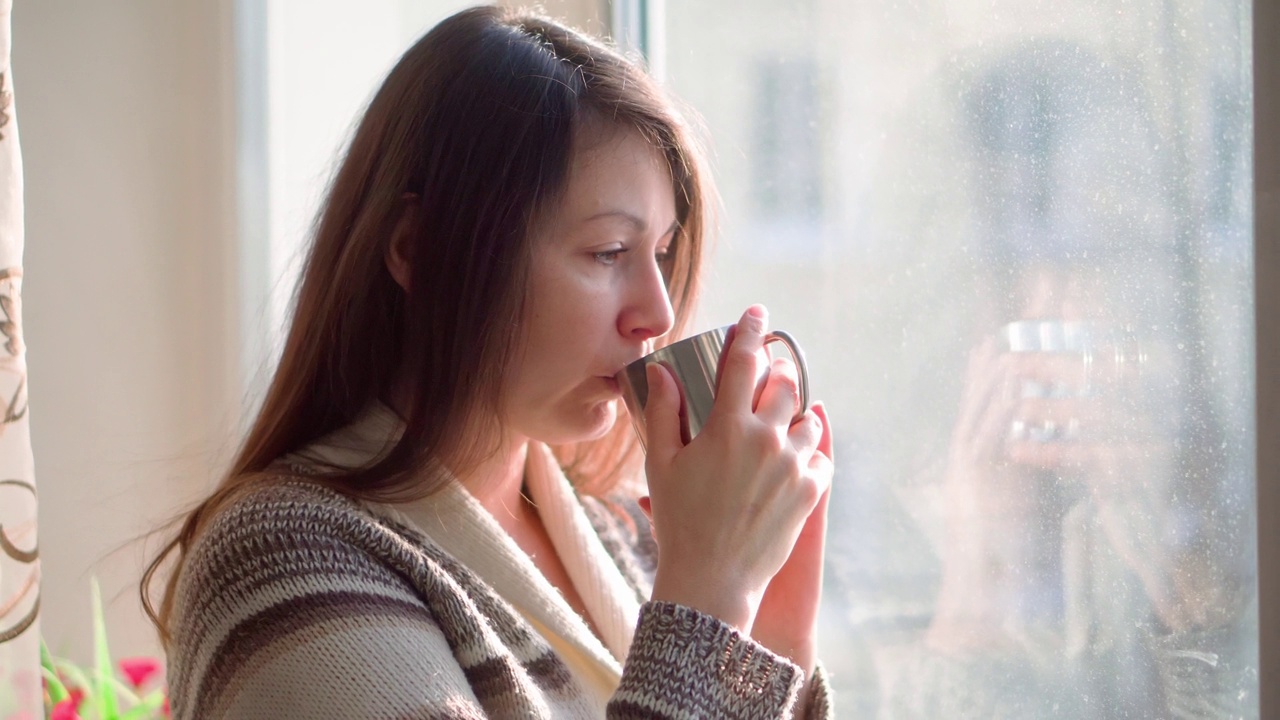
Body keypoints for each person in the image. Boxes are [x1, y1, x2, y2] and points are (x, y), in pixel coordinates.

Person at [141, 6, 836, 719]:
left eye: (661, 253)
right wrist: (711, 597)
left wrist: (773, 630)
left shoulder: (621, 539)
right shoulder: (281, 564)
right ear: (420, 249)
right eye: (607, 252)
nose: (657, 313)